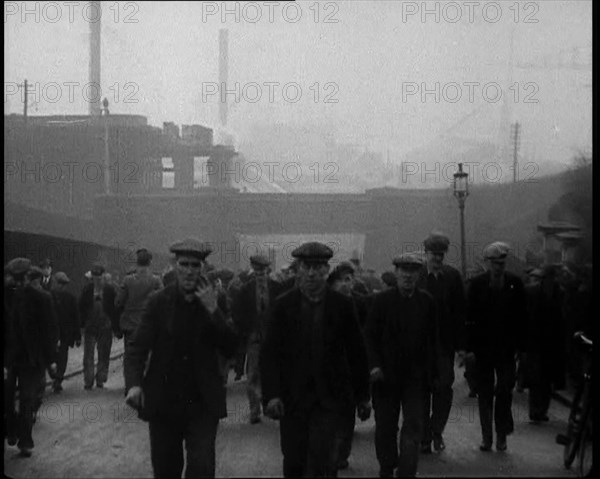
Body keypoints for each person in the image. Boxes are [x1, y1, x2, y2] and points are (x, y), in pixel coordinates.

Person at [124, 238, 238, 478]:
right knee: (165, 469)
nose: (189, 271)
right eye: (184, 264)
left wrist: (213, 310)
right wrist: (134, 384)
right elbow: (137, 347)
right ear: (175, 266)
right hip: (164, 402)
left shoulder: (215, 301)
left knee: (202, 467)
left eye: (195, 265)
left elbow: (231, 347)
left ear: (202, 269)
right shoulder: (159, 302)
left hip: (202, 402)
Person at [260, 242, 371, 477]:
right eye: (306, 267)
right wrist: (271, 395)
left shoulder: (341, 306)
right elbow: (270, 354)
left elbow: (356, 352)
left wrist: (363, 396)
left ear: (326, 271)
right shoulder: (283, 306)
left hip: (330, 399)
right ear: (298, 269)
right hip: (293, 400)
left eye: (317, 267)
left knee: (324, 460)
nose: (311, 273)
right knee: (293, 459)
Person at [364, 253, 441, 478]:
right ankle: (387, 466)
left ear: (419, 275)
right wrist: (374, 366)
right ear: (396, 273)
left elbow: (432, 340)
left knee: (414, 425)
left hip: (416, 378)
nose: (407, 276)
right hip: (385, 377)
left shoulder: (427, 302)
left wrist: (434, 373)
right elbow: (369, 336)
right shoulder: (381, 301)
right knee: (386, 427)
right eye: (403, 271)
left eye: (413, 271)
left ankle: (407, 470)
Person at [465, 241, 526, 452]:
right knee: (485, 393)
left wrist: (521, 347)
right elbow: (469, 318)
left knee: (504, 390)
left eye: (502, 263)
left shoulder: (515, 284)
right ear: (488, 263)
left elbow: (522, 317)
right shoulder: (477, 284)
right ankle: (487, 437)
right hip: (482, 351)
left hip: (506, 350)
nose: (498, 267)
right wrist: (469, 349)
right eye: (494, 263)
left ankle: (501, 434)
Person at [417, 232, 466, 454]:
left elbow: (460, 312)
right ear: (425, 253)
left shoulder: (452, 277)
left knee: (444, 388)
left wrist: (462, 346)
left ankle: (437, 430)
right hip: (419, 345)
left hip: (444, 345)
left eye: (441, 255)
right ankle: (425, 436)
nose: (437, 259)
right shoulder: (416, 275)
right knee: (420, 391)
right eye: (433, 254)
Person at [4, 258, 58, 457]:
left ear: (27, 276)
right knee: (7, 398)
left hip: (31, 359)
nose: (18, 283)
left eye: (20, 278)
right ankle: (12, 430)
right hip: (10, 358)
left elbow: (50, 330)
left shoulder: (42, 299)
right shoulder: (8, 296)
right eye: (15, 278)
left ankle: (25, 440)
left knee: (26, 399)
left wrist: (51, 358)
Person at [327, 261, 370, 470]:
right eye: (342, 280)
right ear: (333, 284)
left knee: (347, 413)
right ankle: (332, 453)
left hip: (351, 365)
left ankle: (342, 453)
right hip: (329, 367)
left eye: (349, 280)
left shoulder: (360, 304)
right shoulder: (324, 304)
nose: (346, 284)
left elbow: (364, 338)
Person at [232, 255, 282, 424]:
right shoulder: (245, 290)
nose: (260, 275)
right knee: (252, 373)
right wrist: (247, 331)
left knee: (271, 371)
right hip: (253, 338)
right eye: (257, 271)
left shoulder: (277, 288)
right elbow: (237, 313)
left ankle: (268, 405)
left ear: (268, 271)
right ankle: (254, 410)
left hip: (272, 337)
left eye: (263, 271)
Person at [115, 248, 163, 396]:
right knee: (149, 356)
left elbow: (118, 302)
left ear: (137, 262)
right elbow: (163, 299)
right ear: (150, 261)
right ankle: (147, 385)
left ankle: (131, 386)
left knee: (130, 357)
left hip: (130, 325)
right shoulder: (156, 280)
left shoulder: (128, 280)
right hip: (149, 324)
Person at [524, 264, 565, 422]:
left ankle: (542, 410)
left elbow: (562, 318)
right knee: (536, 378)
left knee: (547, 378)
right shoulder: (532, 291)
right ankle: (535, 410)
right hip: (535, 340)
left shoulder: (560, 293)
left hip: (552, 342)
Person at [79, 263, 120, 390]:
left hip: (105, 325)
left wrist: (116, 327)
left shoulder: (109, 290)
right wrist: (81, 325)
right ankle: (89, 379)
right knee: (88, 355)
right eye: (95, 276)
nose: (97, 279)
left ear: (103, 275)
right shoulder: (87, 289)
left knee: (104, 353)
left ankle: (100, 378)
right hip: (91, 325)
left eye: (99, 276)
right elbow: (81, 307)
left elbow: (114, 309)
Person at [50, 272, 81, 393]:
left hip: (64, 334)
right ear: (55, 283)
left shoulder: (70, 298)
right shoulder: (47, 296)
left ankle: (58, 379)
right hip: (51, 334)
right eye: (60, 284)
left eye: (64, 284)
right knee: (51, 357)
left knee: (62, 358)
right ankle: (55, 375)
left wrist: (77, 335)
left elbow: (75, 317)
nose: (62, 287)